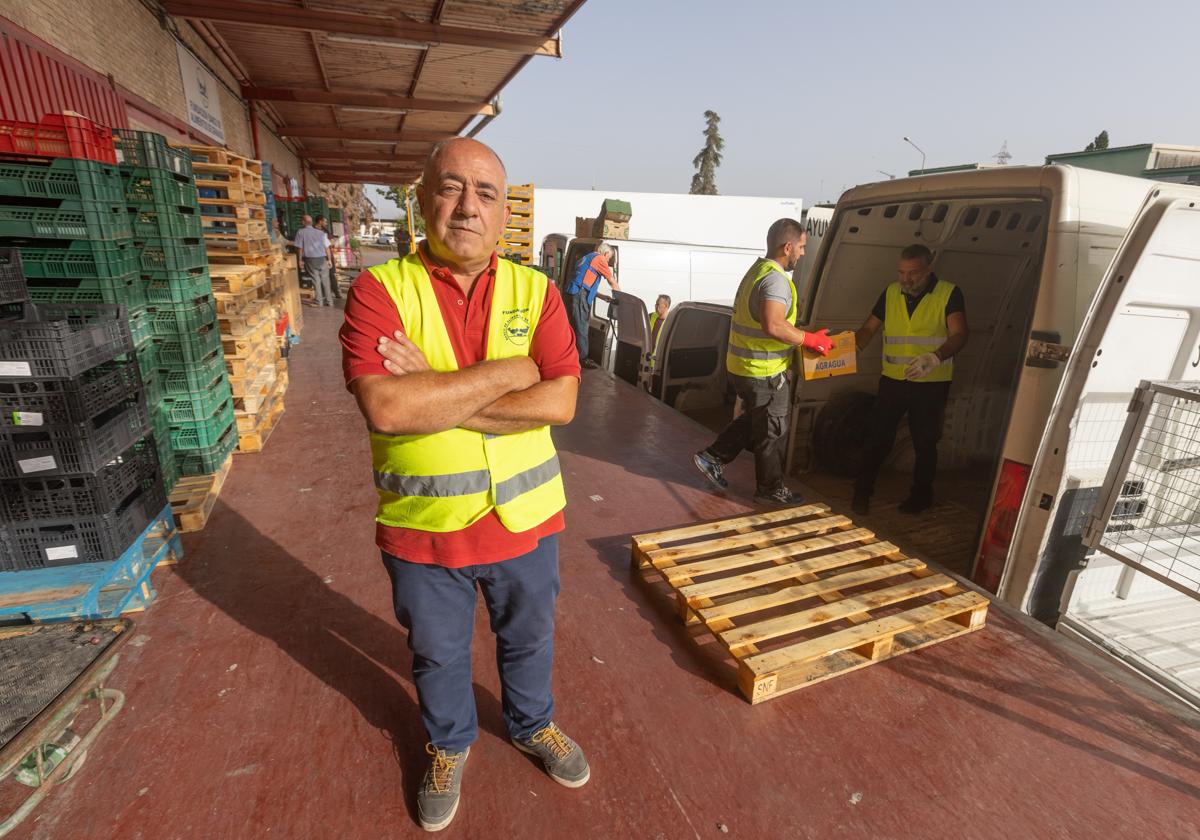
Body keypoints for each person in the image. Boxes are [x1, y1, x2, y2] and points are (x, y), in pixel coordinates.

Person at [339, 138, 585, 833]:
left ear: (504, 212)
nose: (467, 206)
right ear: (423, 201)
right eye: (450, 188)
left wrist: (435, 390)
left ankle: (533, 724)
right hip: (426, 527)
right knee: (437, 652)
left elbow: (561, 403)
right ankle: (448, 745)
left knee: (530, 639)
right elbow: (387, 407)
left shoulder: (535, 290)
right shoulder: (379, 290)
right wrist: (512, 373)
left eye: (484, 192)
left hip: (526, 520)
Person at [692, 219, 833, 505]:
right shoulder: (776, 280)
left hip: (745, 367)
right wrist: (809, 340)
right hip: (763, 369)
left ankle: (711, 457)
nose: (804, 253)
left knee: (758, 417)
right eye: (802, 247)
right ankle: (770, 489)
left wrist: (804, 336)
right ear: (788, 247)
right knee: (772, 430)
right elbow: (773, 325)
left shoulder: (758, 271)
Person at [852, 243, 969, 515]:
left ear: (929, 269)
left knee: (925, 442)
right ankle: (862, 491)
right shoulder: (891, 292)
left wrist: (935, 357)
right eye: (901, 272)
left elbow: (960, 334)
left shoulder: (949, 293)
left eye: (913, 273)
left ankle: (921, 495)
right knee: (878, 438)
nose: (906, 279)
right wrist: (841, 351)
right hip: (893, 381)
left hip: (931, 383)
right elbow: (868, 329)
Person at [563, 242, 620, 369]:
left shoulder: (588, 258)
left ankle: (572, 356)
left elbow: (585, 283)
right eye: (609, 258)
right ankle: (582, 359)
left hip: (574, 293)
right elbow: (612, 281)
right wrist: (621, 298)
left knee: (575, 326)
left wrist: (601, 296)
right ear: (605, 254)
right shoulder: (599, 259)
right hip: (578, 296)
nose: (608, 261)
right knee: (581, 327)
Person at [290, 214, 335, 306]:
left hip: (311, 260)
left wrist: (300, 260)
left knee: (316, 279)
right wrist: (329, 259)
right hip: (322, 258)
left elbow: (300, 248)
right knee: (325, 280)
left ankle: (319, 301)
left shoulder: (301, 232)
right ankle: (330, 301)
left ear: (303, 222)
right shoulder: (321, 233)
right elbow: (327, 247)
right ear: (311, 223)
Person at [315, 215, 342, 300]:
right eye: (325, 221)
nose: (326, 223)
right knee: (321, 275)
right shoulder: (315, 231)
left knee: (331, 275)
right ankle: (324, 295)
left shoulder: (326, 231)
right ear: (320, 221)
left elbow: (332, 241)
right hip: (322, 256)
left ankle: (336, 292)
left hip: (328, 255)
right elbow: (331, 242)